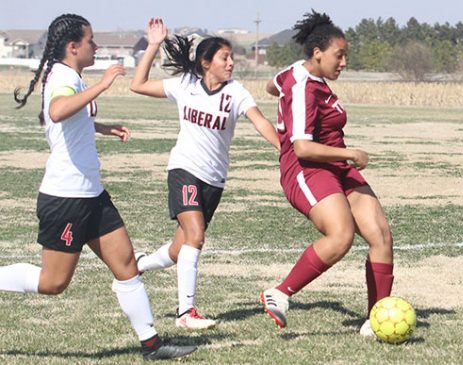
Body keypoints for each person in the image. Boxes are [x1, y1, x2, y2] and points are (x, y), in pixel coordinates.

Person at [1, 14, 197, 360]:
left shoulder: (71, 77)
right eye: (91, 41)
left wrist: (103, 127)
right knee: (53, 283)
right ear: (73, 47)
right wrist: (103, 84)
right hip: (66, 199)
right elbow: (59, 111)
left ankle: (152, 345)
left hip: (92, 195)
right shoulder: (63, 77)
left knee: (126, 266)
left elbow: (66, 121)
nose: (97, 46)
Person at [130, 17, 280, 330]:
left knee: (178, 249)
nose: (231, 63)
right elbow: (138, 84)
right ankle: (186, 313)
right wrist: (154, 45)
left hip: (214, 180)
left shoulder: (236, 92)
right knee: (196, 236)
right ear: (206, 62)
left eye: (232, 58)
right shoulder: (184, 84)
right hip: (184, 169)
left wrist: (285, 149)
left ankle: (138, 265)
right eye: (225, 58)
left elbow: (261, 122)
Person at [260, 10, 394, 337]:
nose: (344, 62)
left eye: (346, 55)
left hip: (336, 166)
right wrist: (351, 153)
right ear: (317, 53)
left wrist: (284, 91)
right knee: (341, 235)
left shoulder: (301, 75)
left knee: (380, 235)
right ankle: (279, 292)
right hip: (306, 168)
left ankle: (377, 319)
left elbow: (270, 85)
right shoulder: (304, 85)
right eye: (339, 55)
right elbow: (303, 147)